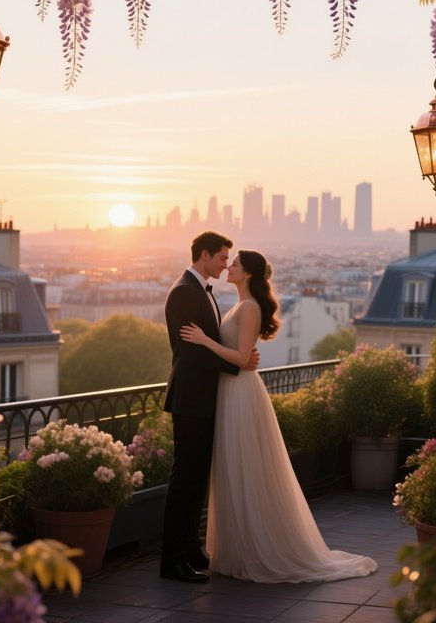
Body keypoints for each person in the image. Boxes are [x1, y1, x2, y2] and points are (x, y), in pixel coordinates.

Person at [180, 249, 378, 583]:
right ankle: (238, 549)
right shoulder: (242, 306)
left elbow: (242, 357)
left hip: (239, 392)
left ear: (248, 273)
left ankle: (251, 550)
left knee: (242, 465)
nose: (229, 267)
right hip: (232, 390)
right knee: (235, 467)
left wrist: (203, 341)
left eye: (235, 264)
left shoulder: (248, 308)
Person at [160, 231, 260, 583]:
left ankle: (189, 550)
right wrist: (238, 365)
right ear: (204, 255)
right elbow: (190, 351)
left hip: (202, 398)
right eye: (222, 257)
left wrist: (239, 358)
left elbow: (209, 343)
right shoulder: (184, 292)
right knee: (185, 479)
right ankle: (172, 561)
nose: (224, 264)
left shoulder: (199, 290)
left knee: (197, 479)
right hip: (191, 398)